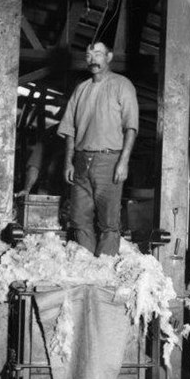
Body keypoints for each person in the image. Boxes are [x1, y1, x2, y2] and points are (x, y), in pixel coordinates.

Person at [56, 40, 139, 256]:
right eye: (89, 55)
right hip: (82, 161)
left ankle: (104, 272)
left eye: (98, 54)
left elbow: (131, 127)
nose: (93, 60)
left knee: (109, 222)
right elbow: (69, 129)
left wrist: (123, 162)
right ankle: (87, 271)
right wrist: (68, 161)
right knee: (78, 218)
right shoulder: (81, 89)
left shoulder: (122, 85)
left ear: (109, 57)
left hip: (109, 160)